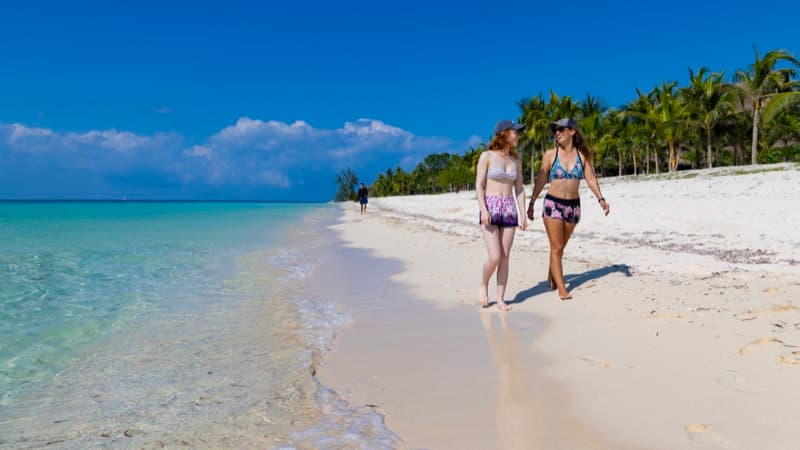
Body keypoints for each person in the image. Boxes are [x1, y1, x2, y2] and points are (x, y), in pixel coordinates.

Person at [527, 118, 609, 300]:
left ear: (572, 131)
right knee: (556, 247)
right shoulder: (550, 155)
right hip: (553, 204)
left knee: (560, 247)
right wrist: (532, 201)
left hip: (573, 207)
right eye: (555, 130)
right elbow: (541, 179)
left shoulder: (582, 156)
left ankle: (551, 274)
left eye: (561, 129)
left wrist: (600, 199)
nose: (557, 133)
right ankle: (561, 288)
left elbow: (590, 178)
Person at [476, 120, 528, 311]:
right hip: (490, 207)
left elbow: (520, 188)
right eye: (515, 132)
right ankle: (483, 284)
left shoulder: (516, 160)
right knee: (495, 256)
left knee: (505, 257)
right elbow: (479, 186)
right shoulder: (486, 156)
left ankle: (500, 299)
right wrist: (483, 209)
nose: (518, 136)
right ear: (504, 133)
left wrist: (523, 214)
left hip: (509, 209)